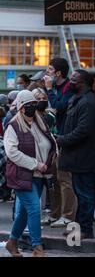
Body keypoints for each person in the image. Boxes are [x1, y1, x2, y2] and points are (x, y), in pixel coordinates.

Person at [4, 90, 57, 257]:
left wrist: (53, 154)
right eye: (28, 105)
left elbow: (50, 142)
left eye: (33, 104)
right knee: (34, 209)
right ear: (20, 107)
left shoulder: (40, 123)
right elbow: (12, 153)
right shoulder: (13, 126)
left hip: (40, 175)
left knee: (24, 213)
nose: (32, 107)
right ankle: (37, 247)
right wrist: (35, 164)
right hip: (21, 175)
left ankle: (12, 242)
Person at [56, 70, 95, 240]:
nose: (70, 82)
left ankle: (85, 229)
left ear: (82, 83)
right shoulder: (78, 100)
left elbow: (84, 130)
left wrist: (62, 139)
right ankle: (78, 226)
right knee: (81, 194)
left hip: (85, 158)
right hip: (77, 157)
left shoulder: (88, 102)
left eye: (73, 80)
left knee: (85, 195)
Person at [44, 58, 77, 229]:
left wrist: (49, 89)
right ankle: (55, 213)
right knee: (55, 178)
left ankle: (68, 215)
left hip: (65, 138)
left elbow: (59, 106)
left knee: (64, 178)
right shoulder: (57, 87)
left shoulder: (68, 88)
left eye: (50, 69)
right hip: (57, 138)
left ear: (58, 73)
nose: (47, 73)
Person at [31, 88, 57, 225]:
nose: (41, 101)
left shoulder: (50, 117)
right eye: (38, 99)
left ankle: (50, 212)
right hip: (34, 161)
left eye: (43, 98)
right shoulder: (29, 117)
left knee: (51, 188)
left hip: (49, 159)